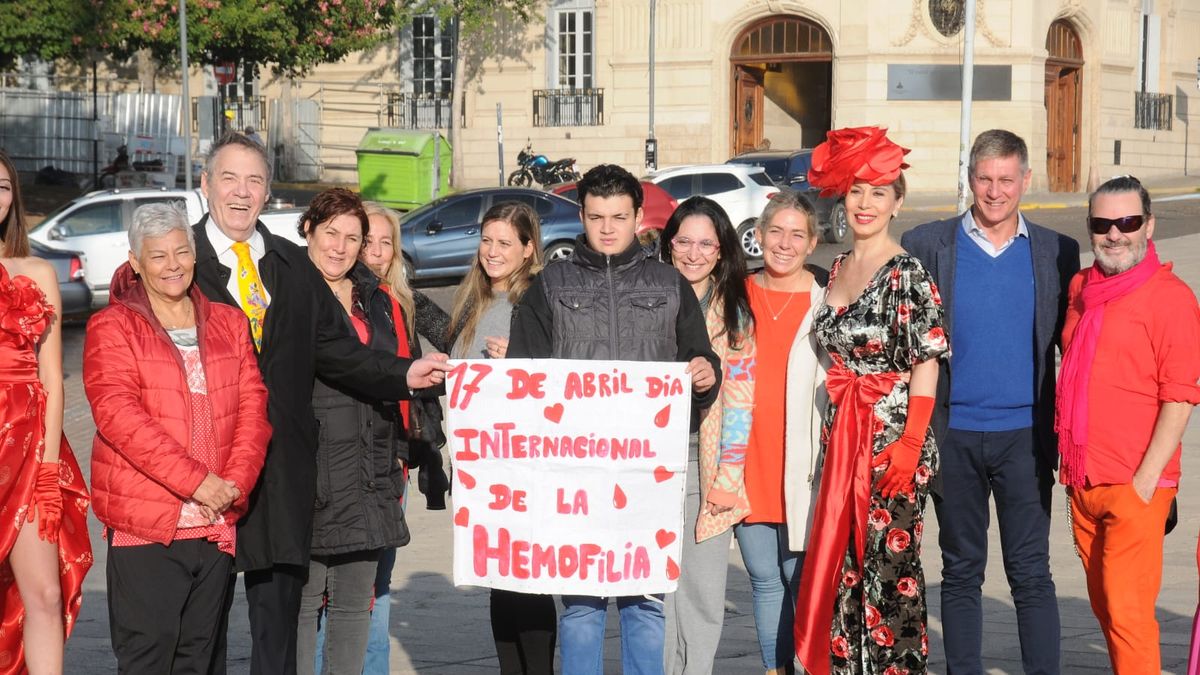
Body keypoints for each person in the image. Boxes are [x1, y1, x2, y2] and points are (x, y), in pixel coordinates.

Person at [190, 132, 451, 675]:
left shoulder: (292, 268)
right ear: (205, 184)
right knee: (196, 628)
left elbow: (341, 353)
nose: (242, 192)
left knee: (279, 627)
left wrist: (406, 372)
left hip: (284, 471)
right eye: (230, 178)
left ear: (268, 193)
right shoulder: (175, 260)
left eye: (255, 180)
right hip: (196, 469)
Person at [508, 164, 721, 675]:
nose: (607, 228)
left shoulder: (671, 284)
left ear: (639, 217)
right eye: (597, 216)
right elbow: (522, 376)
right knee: (581, 607)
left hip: (648, 470)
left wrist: (702, 373)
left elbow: (701, 358)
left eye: (619, 217)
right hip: (573, 473)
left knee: (644, 604)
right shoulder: (548, 285)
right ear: (581, 215)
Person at [902, 129, 1076, 675]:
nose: (995, 191)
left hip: (1025, 438)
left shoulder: (1056, 250)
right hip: (953, 436)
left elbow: (1071, 340)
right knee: (960, 570)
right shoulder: (928, 244)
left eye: (1006, 179)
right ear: (969, 179)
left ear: (1025, 181)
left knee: (1030, 571)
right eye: (984, 179)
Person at [84, 202, 271, 673]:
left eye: (181, 252)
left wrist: (234, 484)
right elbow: (120, 418)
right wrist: (197, 483)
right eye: (158, 255)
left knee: (201, 658)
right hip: (148, 525)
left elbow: (254, 409)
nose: (172, 265)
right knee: (148, 657)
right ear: (135, 262)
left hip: (216, 520)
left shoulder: (229, 322)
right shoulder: (112, 327)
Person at [794, 126, 949, 675]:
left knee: (890, 579)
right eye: (856, 189)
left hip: (890, 445)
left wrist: (910, 443)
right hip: (844, 439)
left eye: (878, 192)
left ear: (897, 201)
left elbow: (927, 360)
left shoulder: (907, 272)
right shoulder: (838, 267)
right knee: (844, 574)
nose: (865, 203)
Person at [1057, 176, 1200, 675]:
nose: (1115, 234)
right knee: (1107, 611)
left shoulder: (1172, 298)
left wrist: (1143, 484)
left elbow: (1180, 398)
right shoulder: (1081, 288)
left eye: (1128, 222)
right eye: (1102, 223)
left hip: (1136, 486)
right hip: (1083, 481)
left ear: (1149, 225)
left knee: (1129, 614)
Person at [292, 189, 425, 675]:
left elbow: (391, 372)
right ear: (308, 230)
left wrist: (397, 455)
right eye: (332, 233)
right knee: (303, 607)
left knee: (355, 605)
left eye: (353, 237)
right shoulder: (288, 292)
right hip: (311, 468)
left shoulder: (377, 297)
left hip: (369, 468)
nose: (341, 247)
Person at [343, 200, 451, 674]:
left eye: (387, 243)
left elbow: (456, 337)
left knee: (380, 578)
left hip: (399, 455)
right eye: (369, 241)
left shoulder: (406, 300)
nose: (377, 252)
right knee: (351, 583)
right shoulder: (340, 302)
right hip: (351, 451)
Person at [448, 200, 554, 674]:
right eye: (487, 240)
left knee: (525, 583)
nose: (492, 251)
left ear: (529, 249)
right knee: (499, 582)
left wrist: (524, 356)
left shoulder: (536, 299)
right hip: (481, 469)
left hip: (522, 469)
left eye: (505, 243)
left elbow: (563, 376)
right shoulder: (477, 297)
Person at [0, 150, 92, 674]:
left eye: (4, 187)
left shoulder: (37, 271)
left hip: (31, 449)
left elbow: (52, 379)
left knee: (45, 593)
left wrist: (51, 466)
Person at [657, 197, 757, 675]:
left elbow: (740, 399)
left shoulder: (734, 309)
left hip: (706, 462)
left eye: (705, 244)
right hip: (647, 461)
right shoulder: (648, 295)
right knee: (652, 589)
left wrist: (728, 478)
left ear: (721, 251)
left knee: (701, 590)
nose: (693, 254)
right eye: (683, 242)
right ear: (668, 243)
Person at [734, 190, 829, 675]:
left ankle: (805, 665)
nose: (785, 243)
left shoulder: (828, 302)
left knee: (800, 580)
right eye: (776, 231)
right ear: (759, 236)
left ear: (812, 243)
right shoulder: (734, 294)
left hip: (802, 466)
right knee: (764, 581)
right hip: (746, 464)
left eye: (797, 234)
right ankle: (775, 670)